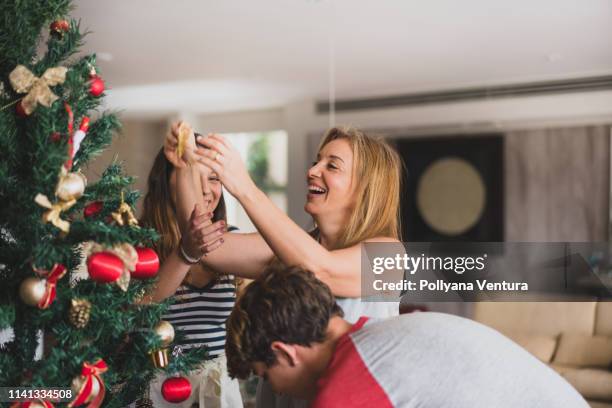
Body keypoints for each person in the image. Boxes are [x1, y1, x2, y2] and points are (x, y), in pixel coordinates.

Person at [165, 124, 405, 407]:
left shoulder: (388, 256)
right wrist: (185, 168)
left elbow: (321, 270)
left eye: (333, 166)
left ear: (366, 188)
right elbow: (206, 248)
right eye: (317, 161)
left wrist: (244, 187)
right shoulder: (290, 250)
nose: (312, 171)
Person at [225, 264, 589, 408]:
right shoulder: (383, 334)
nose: (278, 390)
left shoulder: (347, 385)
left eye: (266, 376)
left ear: (285, 352)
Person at [139, 133, 243, 408]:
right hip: (161, 386)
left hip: (218, 386)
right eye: (194, 177)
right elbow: (138, 308)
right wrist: (185, 253)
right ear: (167, 183)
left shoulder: (231, 239)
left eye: (213, 177)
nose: (207, 190)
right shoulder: (142, 245)